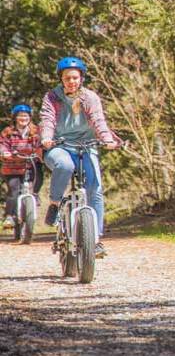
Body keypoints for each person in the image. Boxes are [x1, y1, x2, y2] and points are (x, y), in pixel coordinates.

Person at [40, 56, 121, 258]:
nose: (71, 81)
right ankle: (54, 203)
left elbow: (98, 120)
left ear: (81, 78)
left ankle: (96, 240)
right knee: (65, 166)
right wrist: (47, 137)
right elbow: (47, 119)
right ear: (61, 79)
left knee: (95, 189)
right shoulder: (52, 97)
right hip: (59, 145)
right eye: (67, 78)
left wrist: (106, 139)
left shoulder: (90, 97)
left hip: (86, 145)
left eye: (75, 77)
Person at [0, 104, 44, 229]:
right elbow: (2, 144)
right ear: (15, 117)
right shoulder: (8, 131)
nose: (23, 118)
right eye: (20, 116)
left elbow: (40, 144)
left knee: (38, 175)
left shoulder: (36, 131)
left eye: (25, 116)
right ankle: (9, 216)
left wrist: (40, 154)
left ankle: (34, 194)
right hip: (12, 166)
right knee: (13, 190)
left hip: (30, 164)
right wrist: (4, 152)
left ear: (30, 117)